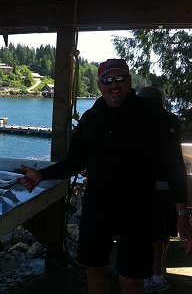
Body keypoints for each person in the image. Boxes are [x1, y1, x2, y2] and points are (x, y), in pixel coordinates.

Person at [21, 59, 192, 294]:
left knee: (132, 278)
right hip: (97, 210)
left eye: (120, 78)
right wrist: (41, 175)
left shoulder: (153, 116)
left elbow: (174, 166)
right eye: (107, 80)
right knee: (94, 269)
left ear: (129, 82)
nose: (114, 85)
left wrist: (182, 214)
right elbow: (73, 163)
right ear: (100, 85)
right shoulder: (91, 119)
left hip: (138, 211)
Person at [138, 86, 184, 293]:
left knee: (153, 236)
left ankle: (152, 276)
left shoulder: (139, 120)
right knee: (164, 233)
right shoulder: (172, 120)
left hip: (149, 189)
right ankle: (159, 271)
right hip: (170, 189)